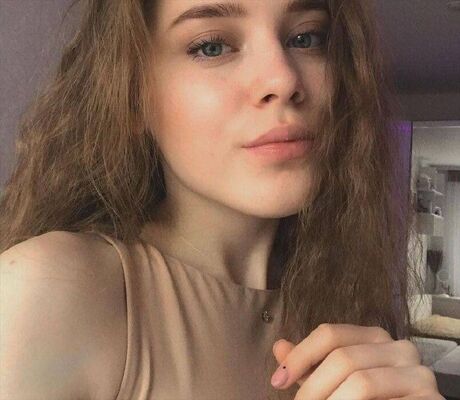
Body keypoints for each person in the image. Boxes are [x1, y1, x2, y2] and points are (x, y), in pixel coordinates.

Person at [0, 0, 444, 399]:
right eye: (212, 46)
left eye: (305, 38)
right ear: (131, 93)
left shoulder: (345, 291)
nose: (283, 79)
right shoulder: (52, 291)